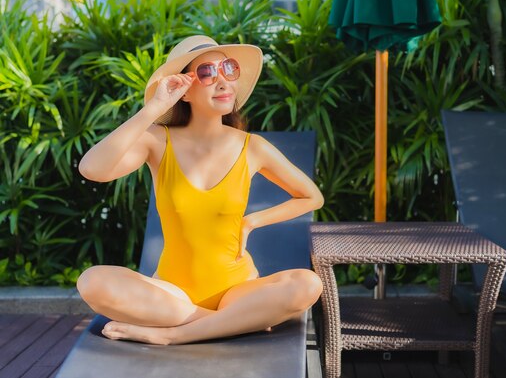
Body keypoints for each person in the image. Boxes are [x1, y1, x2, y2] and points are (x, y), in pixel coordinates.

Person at [76, 35, 324, 345]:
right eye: (207, 73)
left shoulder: (252, 147)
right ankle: (226, 324)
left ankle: (172, 336)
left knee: (308, 284)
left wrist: (252, 221)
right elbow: (92, 169)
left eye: (229, 69)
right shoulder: (157, 141)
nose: (222, 81)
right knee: (92, 281)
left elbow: (312, 196)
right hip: (171, 293)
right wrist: (152, 110)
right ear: (184, 90)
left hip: (239, 292)